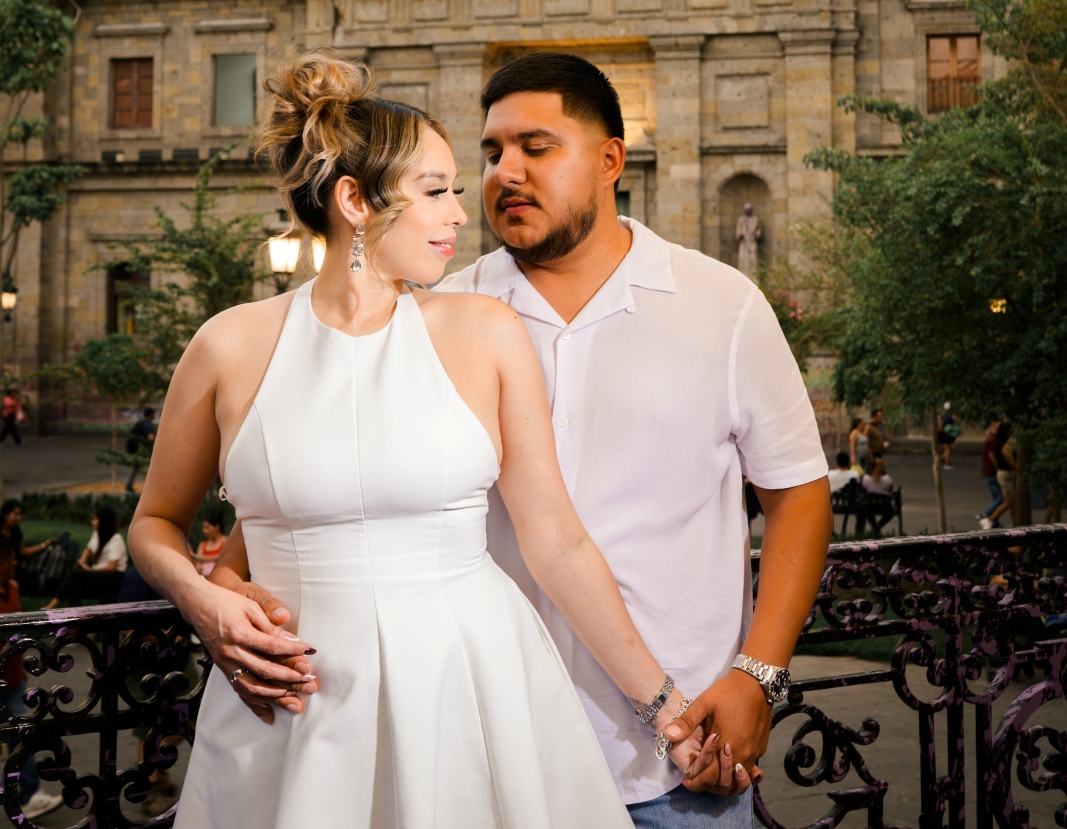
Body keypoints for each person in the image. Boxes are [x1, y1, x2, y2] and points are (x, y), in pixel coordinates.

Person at [212, 50, 832, 825]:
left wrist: (758, 674)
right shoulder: (433, 309)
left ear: (610, 160)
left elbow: (799, 494)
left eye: (536, 148)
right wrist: (224, 593)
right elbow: (317, 489)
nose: (505, 172)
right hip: (485, 751)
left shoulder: (721, 303)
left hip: (682, 748)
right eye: (492, 153)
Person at [0, 538, 64, 818]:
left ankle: (27, 795)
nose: (15, 563)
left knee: (22, 737)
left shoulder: (11, 588)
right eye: (10, 559)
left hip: (14, 680)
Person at [46, 506, 127, 608]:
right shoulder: (97, 534)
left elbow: (112, 567)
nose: (92, 522)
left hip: (113, 577)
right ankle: (76, 617)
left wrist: (90, 570)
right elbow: (88, 549)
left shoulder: (116, 539)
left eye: (95, 519)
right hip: (99, 574)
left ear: (104, 521)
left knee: (75, 575)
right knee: (75, 584)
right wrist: (83, 559)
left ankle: (51, 606)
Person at [0, 499, 58, 588]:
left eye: (20, 515)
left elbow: (23, 551)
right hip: (3, 569)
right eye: (15, 514)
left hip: (14, 568)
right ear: (5, 515)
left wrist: (44, 545)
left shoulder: (16, 531)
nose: (19, 518)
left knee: (33, 577)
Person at [980, 422, 1015, 529]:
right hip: (999, 473)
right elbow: (995, 457)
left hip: (998, 472)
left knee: (1004, 500)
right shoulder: (996, 441)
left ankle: (993, 520)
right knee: (1004, 500)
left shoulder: (996, 440)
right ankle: (988, 517)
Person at [860, 459, 897, 536]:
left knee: (866, 509)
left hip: (870, 506)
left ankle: (874, 526)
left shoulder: (866, 478)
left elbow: (863, 489)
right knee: (891, 511)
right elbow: (891, 490)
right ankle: (878, 526)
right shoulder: (887, 479)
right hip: (885, 506)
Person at [977, 419, 1003, 526]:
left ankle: (995, 520)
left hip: (990, 471)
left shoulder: (992, 438)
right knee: (1001, 497)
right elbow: (991, 456)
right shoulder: (991, 439)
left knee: (996, 497)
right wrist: (998, 467)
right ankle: (986, 514)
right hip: (991, 471)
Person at [125, 406, 157, 492]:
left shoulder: (141, 423)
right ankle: (152, 488)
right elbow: (151, 438)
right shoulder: (149, 425)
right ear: (150, 414)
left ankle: (129, 485)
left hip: (139, 449)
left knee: (136, 468)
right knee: (154, 468)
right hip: (146, 450)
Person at [193, 505, 228, 576]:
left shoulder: (226, 541)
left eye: (207, 527)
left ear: (217, 527)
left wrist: (200, 558)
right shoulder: (203, 545)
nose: (204, 531)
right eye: (203, 527)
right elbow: (198, 562)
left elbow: (223, 558)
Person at [937, 402, 960, 469]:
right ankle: (946, 463)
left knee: (949, 447)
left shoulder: (942, 414)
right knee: (948, 447)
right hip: (947, 434)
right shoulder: (949, 416)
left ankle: (943, 458)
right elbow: (953, 420)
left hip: (943, 433)